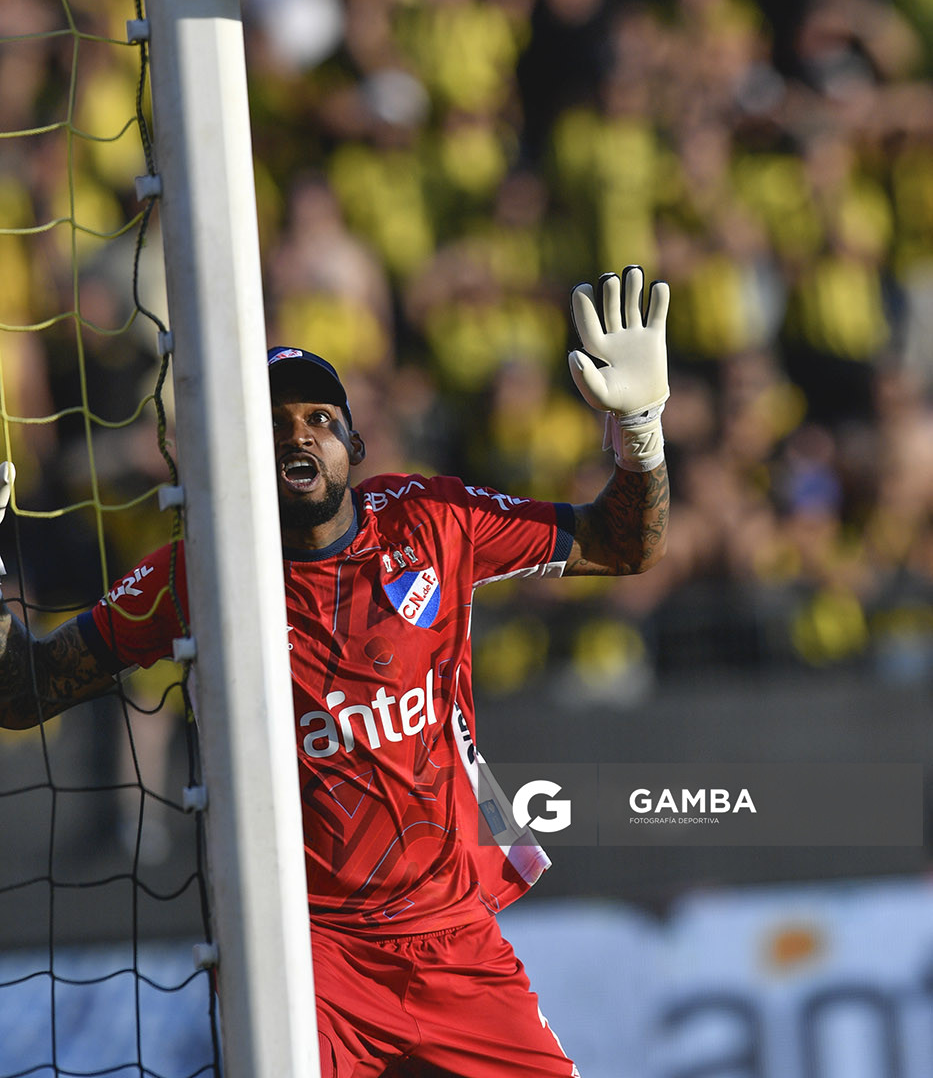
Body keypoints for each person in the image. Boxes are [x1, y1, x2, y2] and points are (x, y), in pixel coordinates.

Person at [0, 267, 670, 1078]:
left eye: (320, 418)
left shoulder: (434, 520)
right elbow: (23, 692)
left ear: (353, 446)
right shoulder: (198, 578)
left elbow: (622, 546)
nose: (298, 434)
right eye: (274, 421)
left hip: (455, 938)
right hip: (306, 953)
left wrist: (638, 427)